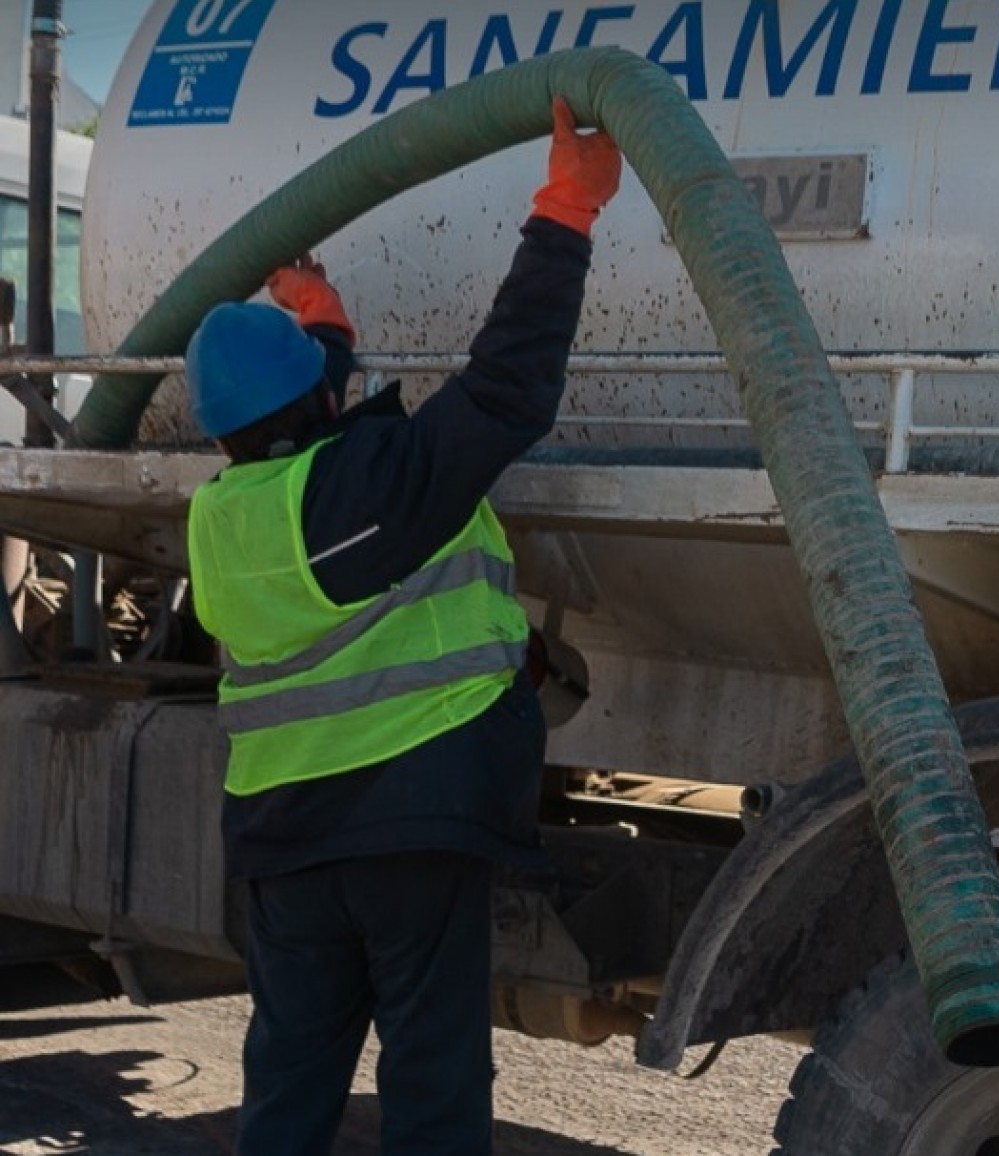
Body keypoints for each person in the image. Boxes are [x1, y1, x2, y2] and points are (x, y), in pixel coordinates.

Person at [181, 97, 621, 1155]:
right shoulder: (374, 487)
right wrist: (566, 211)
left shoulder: (222, 516)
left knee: (289, 1085)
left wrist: (319, 316)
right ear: (317, 405)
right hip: (408, 827)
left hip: (285, 843)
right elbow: (507, 387)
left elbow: (304, 408)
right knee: (431, 1085)